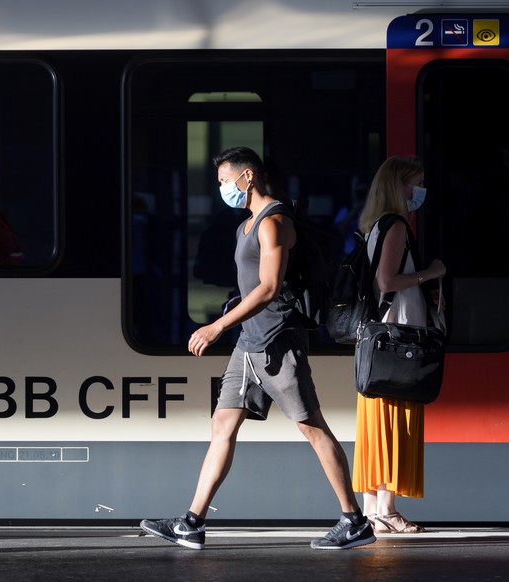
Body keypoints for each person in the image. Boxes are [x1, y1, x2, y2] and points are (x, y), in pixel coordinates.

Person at [140, 146, 376, 551]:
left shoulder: (275, 223)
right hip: (248, 345)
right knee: (222, 425)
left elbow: (268, 288)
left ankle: (354, 521)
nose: (222, 189)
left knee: (312, 428)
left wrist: (216, 326)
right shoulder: (245, 225)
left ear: (248, 177)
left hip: (277, 343)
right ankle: (192, 523)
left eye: (223, 181)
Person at [352, 155, 446, 533]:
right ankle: (387, 511)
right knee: (396, 419)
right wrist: (430, 274)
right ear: (399, 186)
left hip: (381, 338)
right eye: (415, 184)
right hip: (399, 338)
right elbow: (388, 282)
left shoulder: (375, 225)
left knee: (377, 422)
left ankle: (374, 509)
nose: (419, 192)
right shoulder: (396, 227)